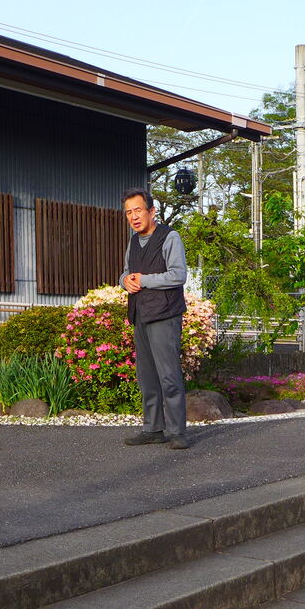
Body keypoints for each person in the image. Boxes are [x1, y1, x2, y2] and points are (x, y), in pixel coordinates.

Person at [119, 188, 190, 450]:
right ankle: (153, 428)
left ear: (151, 211)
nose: (134, 217)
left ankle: (177, 431)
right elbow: (127, 272)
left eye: (138, 210)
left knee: (168, 376)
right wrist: (125, 281)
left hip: (165, 315)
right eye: (129, 212)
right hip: (140, 315)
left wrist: (144, 280)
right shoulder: (133, 242)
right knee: (147, 377)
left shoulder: (170, 237)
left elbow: (178, 275)